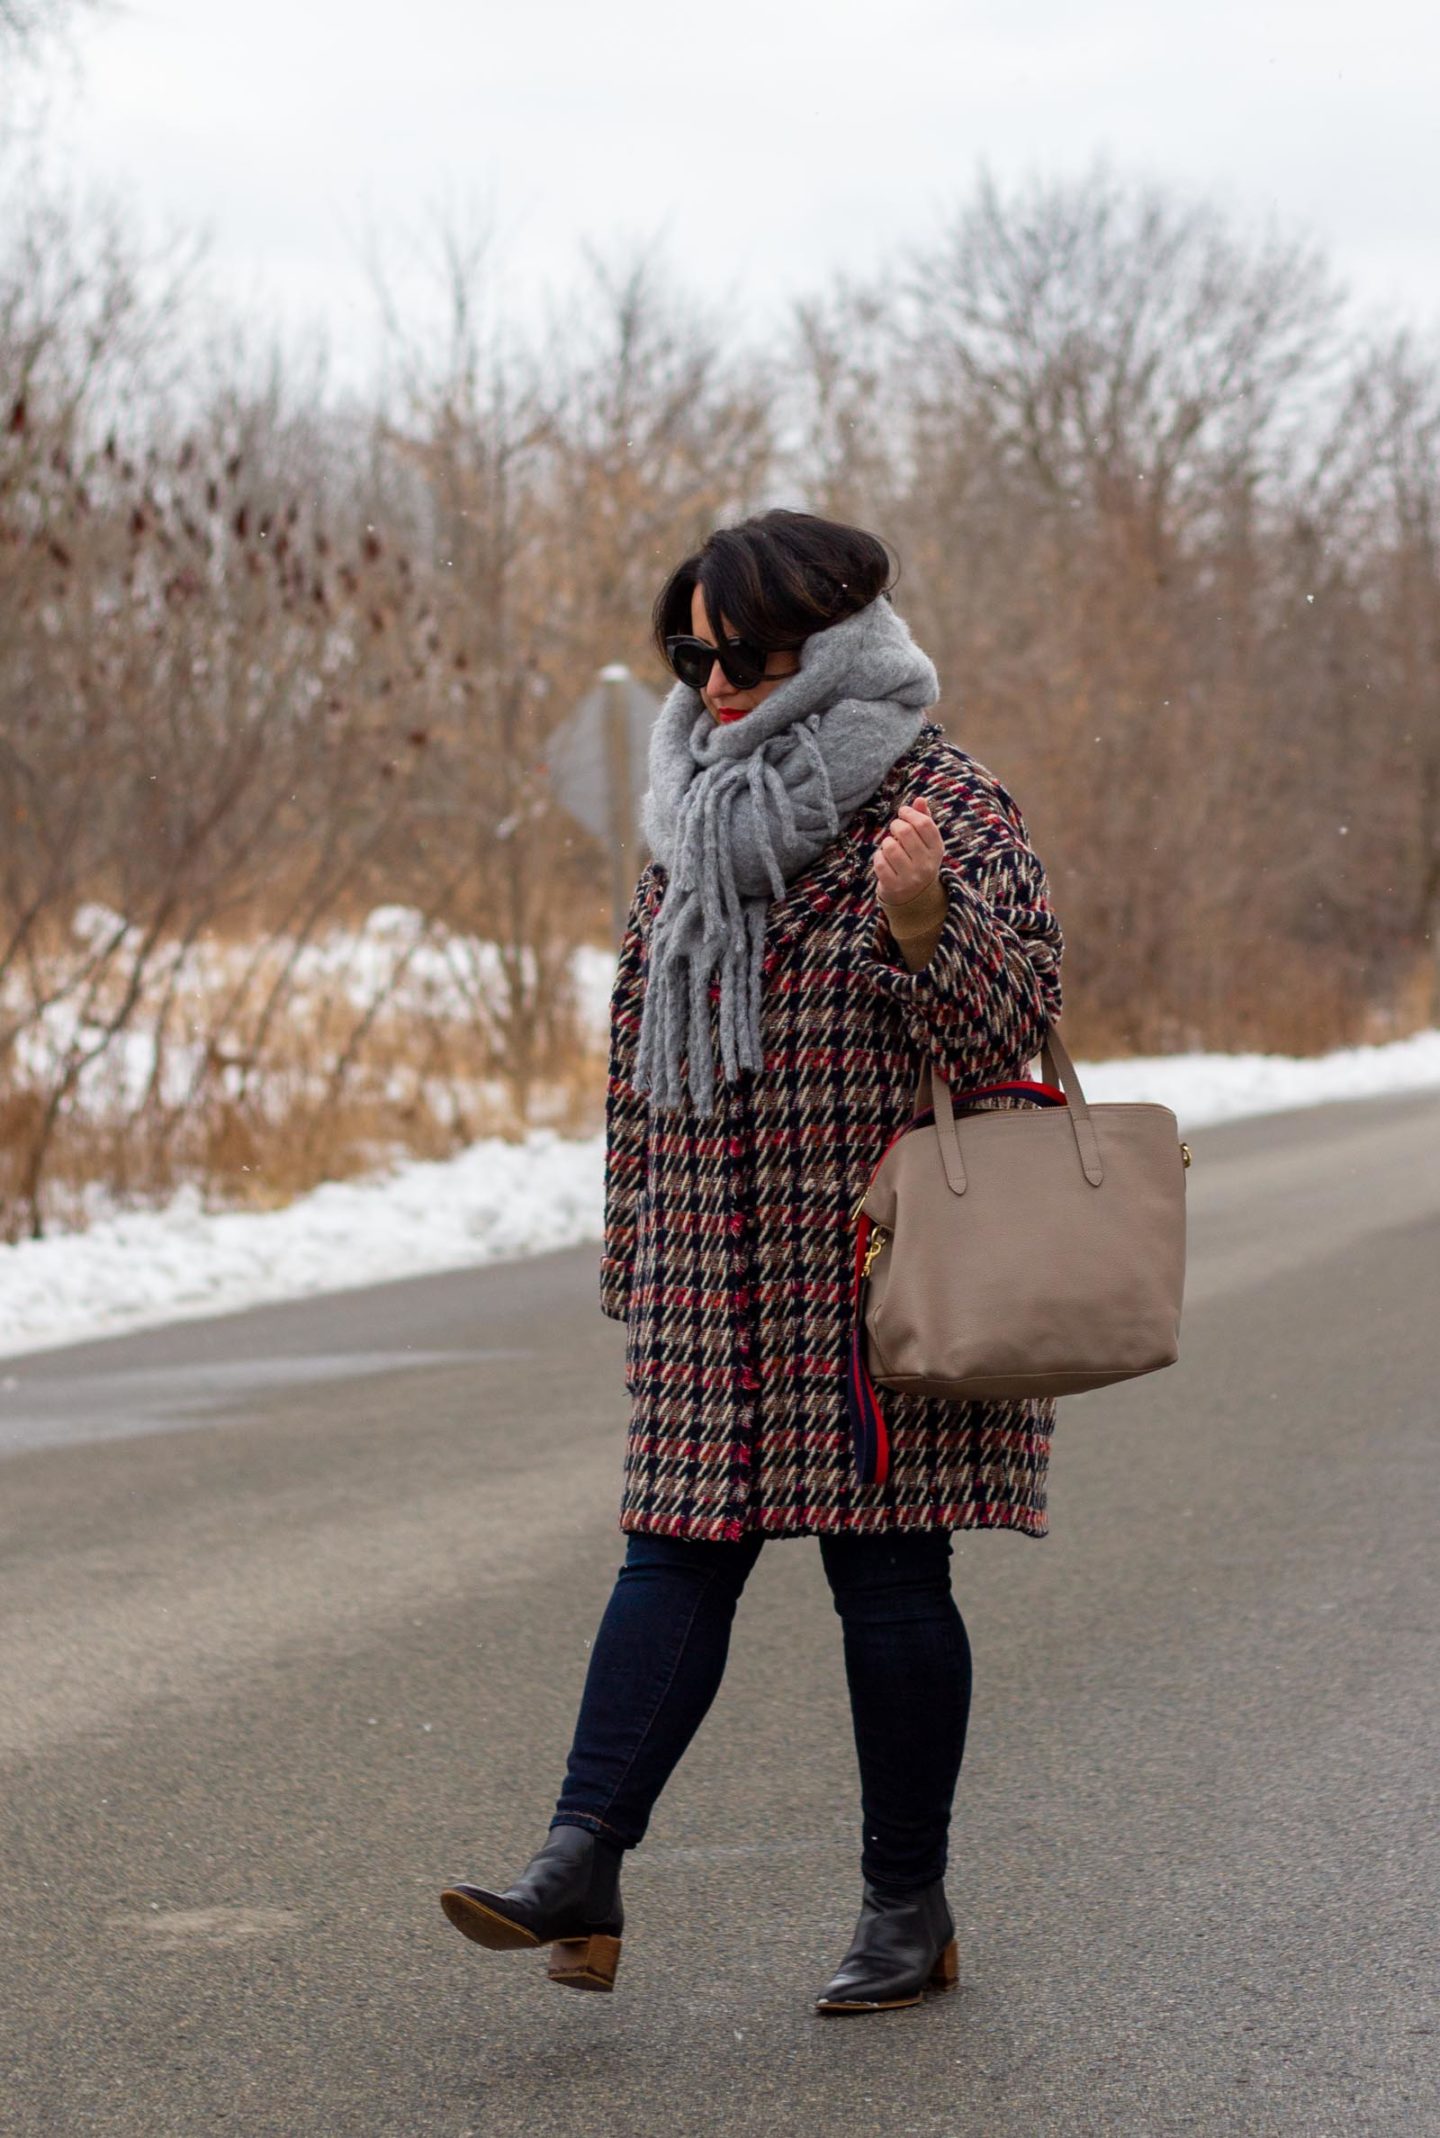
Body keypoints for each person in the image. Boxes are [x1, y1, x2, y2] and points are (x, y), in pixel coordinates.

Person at [440, 508, 1065, 2013]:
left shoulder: (939, 795)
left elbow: (1010, 1025)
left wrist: (922, 930)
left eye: (750, 652)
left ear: (836, 640)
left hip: (875, 1269)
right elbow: (633, 1050)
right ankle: (579, 1865)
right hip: (712, 1268)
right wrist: (635, 1246)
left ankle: (908, 1907)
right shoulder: (693, 806)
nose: (716, 682)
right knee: (669, 1560)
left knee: (892, 1582)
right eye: (692, 651)